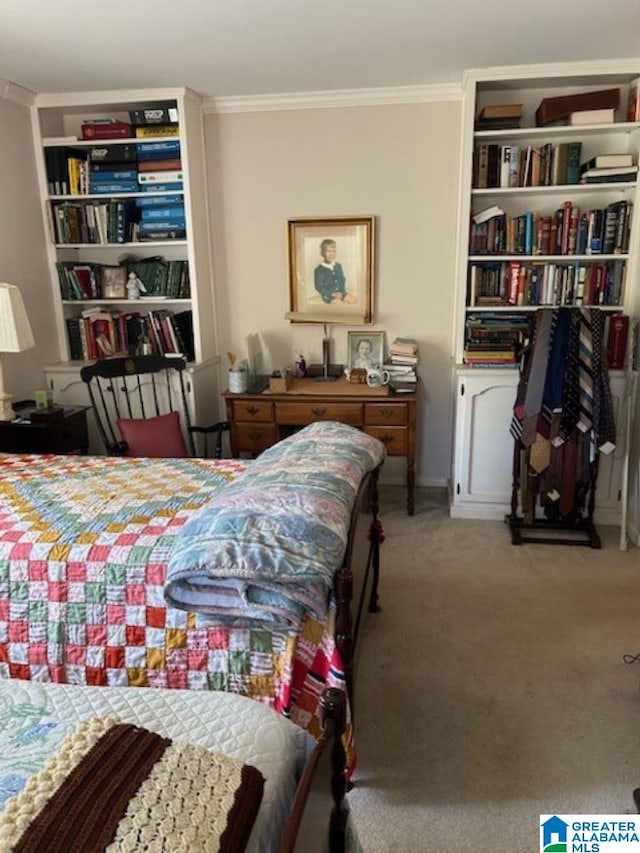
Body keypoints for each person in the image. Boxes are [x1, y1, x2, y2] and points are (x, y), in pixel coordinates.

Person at [313, 239, 357, 305]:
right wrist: (332, 293)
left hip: (341, 293)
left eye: (334, 251)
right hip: (329, 295)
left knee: (354, 300)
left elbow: (342, 280)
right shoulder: (319, 270)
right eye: (328, 251)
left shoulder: (338, 266)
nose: (331, 254)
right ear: (322, 253)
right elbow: (319, 287)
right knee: (341, 305)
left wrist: (341, 292)